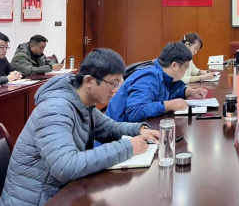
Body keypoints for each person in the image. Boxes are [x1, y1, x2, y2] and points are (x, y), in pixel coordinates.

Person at [0, 48, 159, 206]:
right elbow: (65, 167)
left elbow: (109, 128)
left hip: (62, 192)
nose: (116, 90)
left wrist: (138, 130)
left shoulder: (83, 103)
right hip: (38, 200)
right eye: (112, 83)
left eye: (119, 83)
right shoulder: (55, 110)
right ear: (88, 81)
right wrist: (127, 147)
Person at [106, 42, 208, 122]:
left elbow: (162, 93)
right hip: (116, 134)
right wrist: (170, 105)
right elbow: (135, 112)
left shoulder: (162, 72)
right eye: (186, 67)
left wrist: (189, 92)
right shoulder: (149, 77)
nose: (186, 70)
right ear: (174, 65)